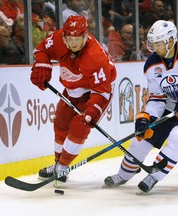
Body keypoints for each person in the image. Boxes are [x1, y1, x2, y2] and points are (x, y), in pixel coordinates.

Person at [103, 20, 178, 193]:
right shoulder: (151, 65)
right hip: (171, 106)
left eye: (157, 44)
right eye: (151, 43)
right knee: (141, 139)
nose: (153, 48)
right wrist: (147, 117)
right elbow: (157, 97)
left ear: (171, 41)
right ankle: (124, 174)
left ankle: (154, 175)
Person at [30, 15, 117, 187]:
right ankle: (57, 163)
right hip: (73, 87)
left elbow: (102, 92)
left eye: (77, 39)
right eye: (69, 39)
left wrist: (92, 111)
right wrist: (42, 63)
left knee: (80, 125)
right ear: (64, 36)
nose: (73, 43)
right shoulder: (58, 38)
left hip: (97, 90)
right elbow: (41, 50)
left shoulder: (95, 56)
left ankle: (63, 166)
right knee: (61, 123)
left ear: (85, 36)